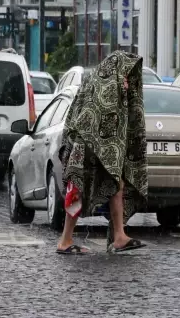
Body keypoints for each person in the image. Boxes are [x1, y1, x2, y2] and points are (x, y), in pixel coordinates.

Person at [56, 51, 148, 255]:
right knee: (77, 188)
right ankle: (65, 240)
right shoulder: (101, 83)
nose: (127, 81)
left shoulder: (111, 86)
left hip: (102, 147)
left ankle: (119, 237)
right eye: (125, 74)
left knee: (117, 184)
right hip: (83, 145)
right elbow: (90, 117)